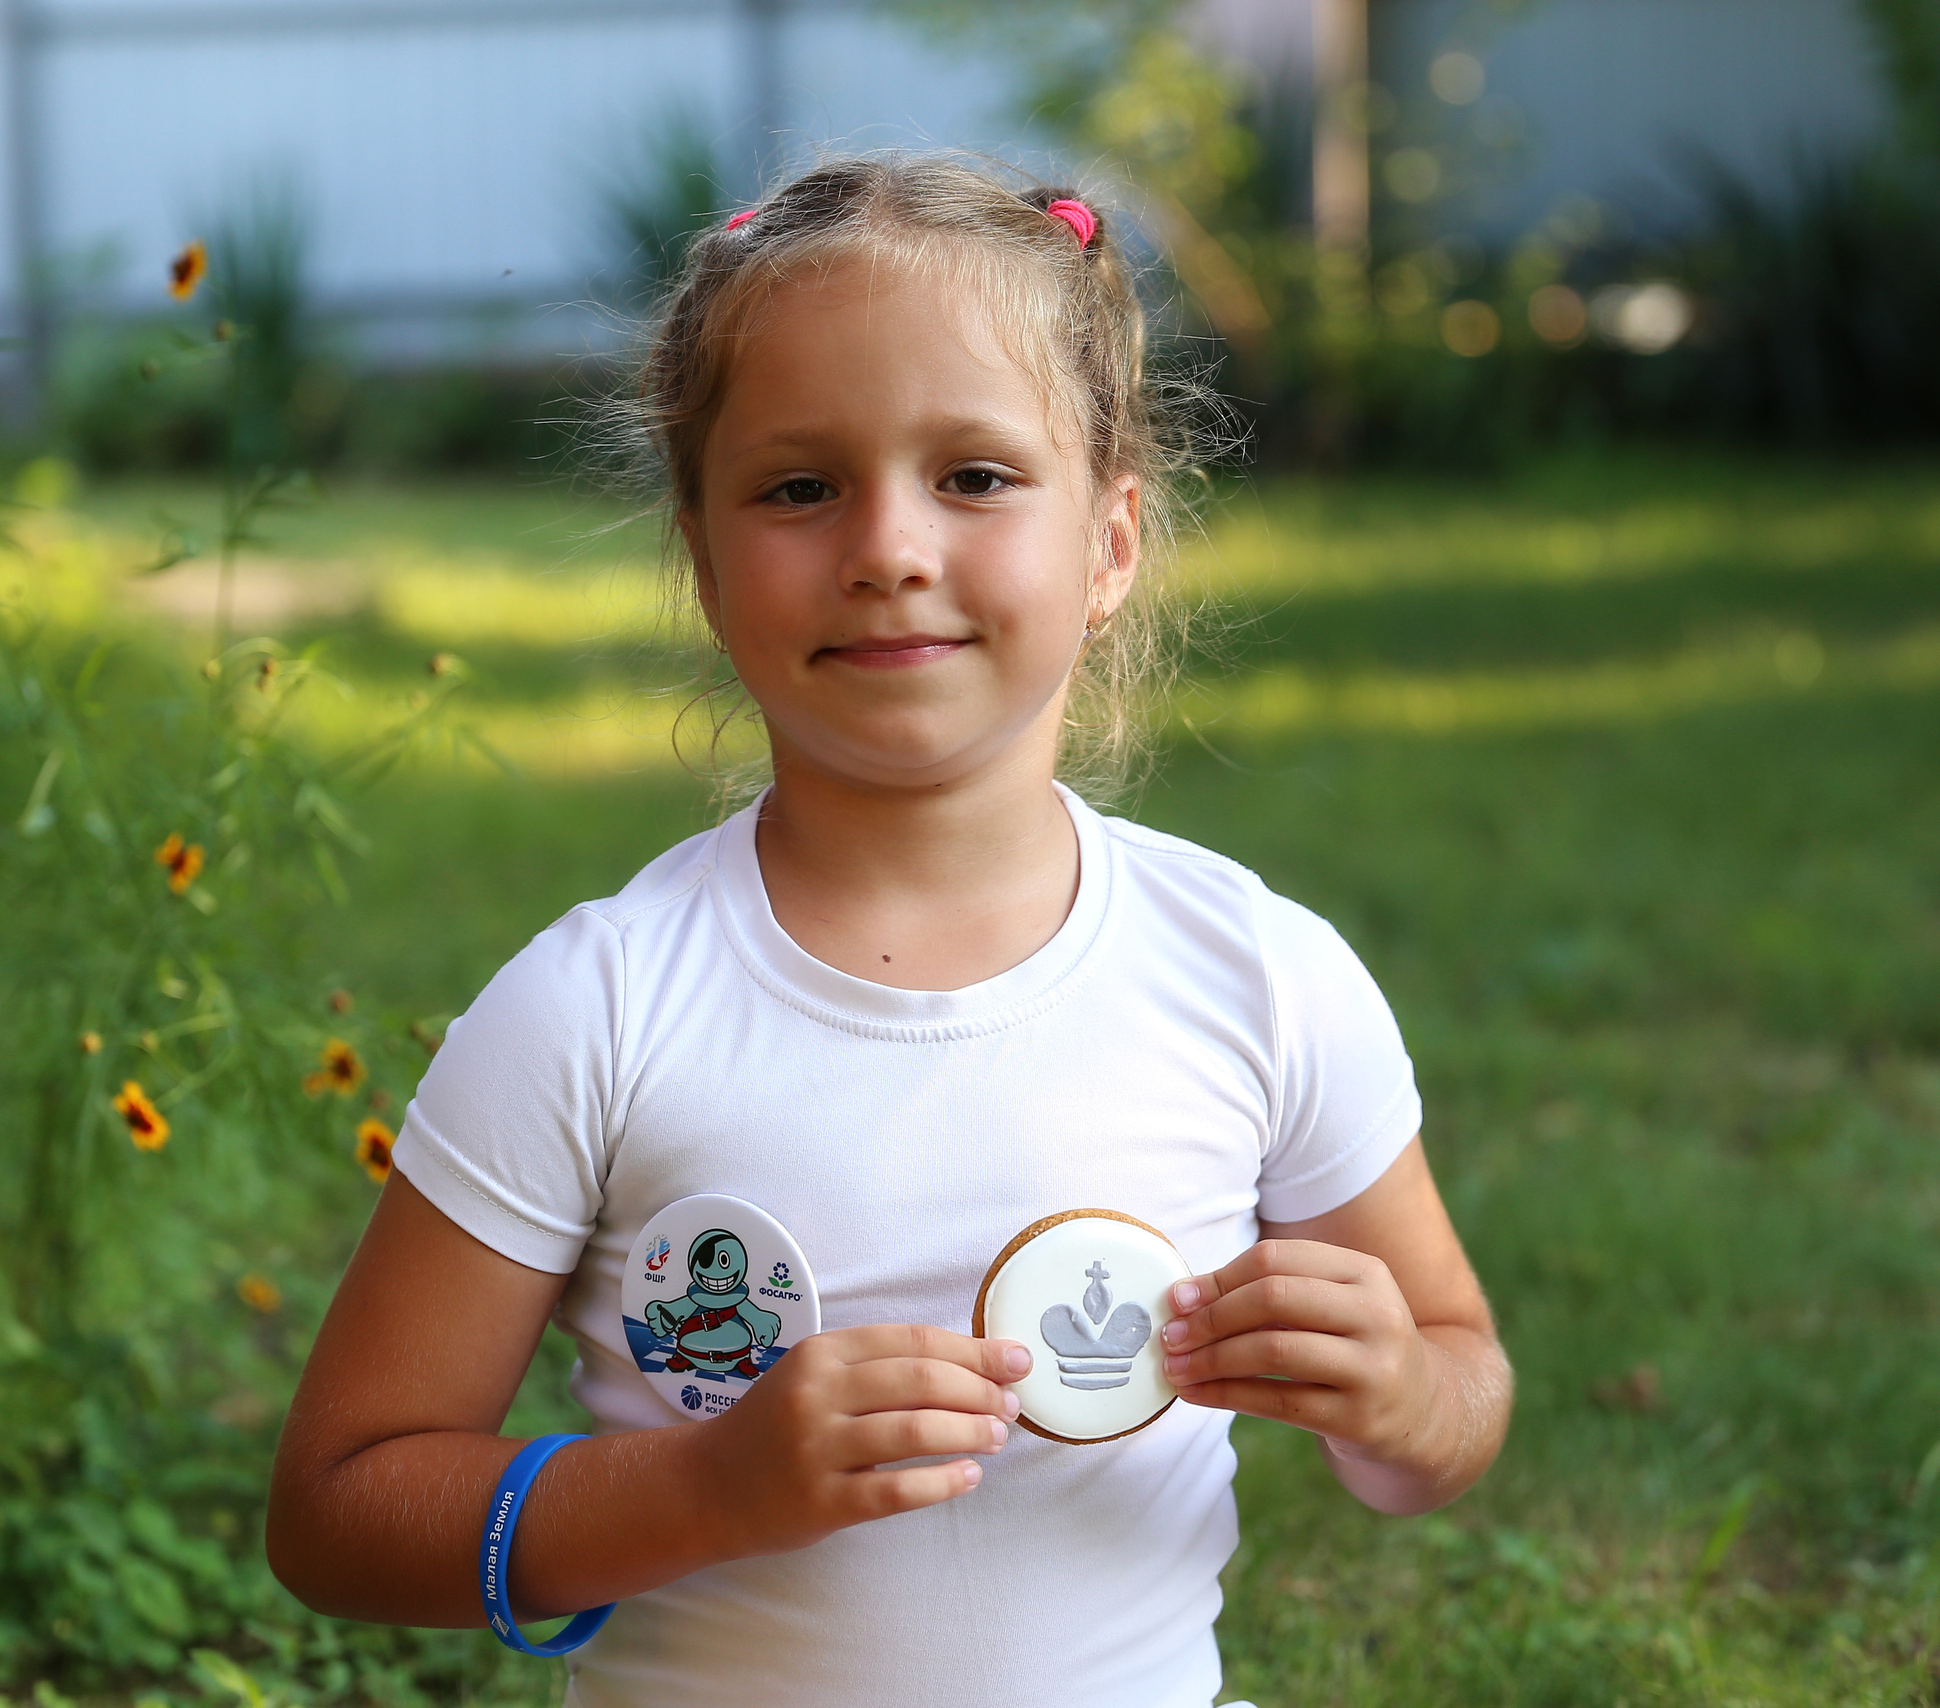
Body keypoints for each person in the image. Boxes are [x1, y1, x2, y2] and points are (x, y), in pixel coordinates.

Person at [265, 153, 1511, 1708]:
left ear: (1112, 543)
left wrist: (1394, 1397)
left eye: (975, 476)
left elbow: (1455, 1396)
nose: (889, 548)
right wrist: (705, 1490)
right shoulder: (597, 1009)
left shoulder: (1255, 976)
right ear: (706, 562)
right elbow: (336, 1513)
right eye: (800, 486)